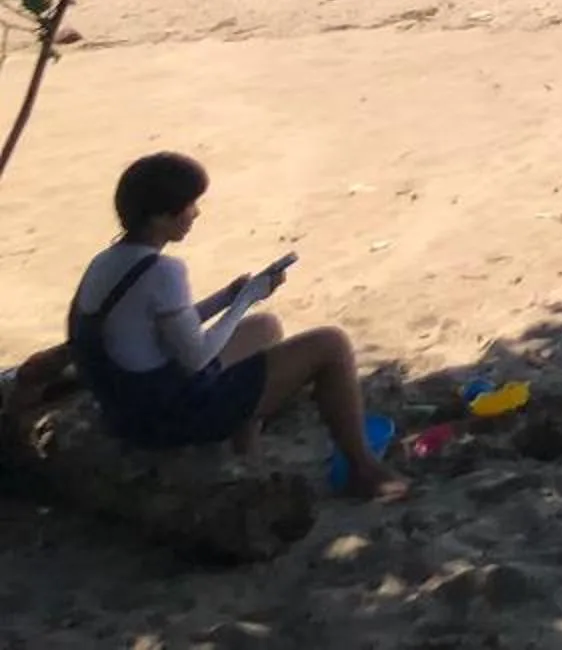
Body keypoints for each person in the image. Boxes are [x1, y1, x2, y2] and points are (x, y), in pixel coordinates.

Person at [64, 152, 403, 496]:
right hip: (166, 416)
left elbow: (155, 330)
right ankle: (363, 470)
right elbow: (196, 357)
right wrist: (245, 300)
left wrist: (226, 298)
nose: (195, 213)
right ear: (160, 217)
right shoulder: (164, 271)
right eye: (189, 206)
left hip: (126, 406)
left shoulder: (105, 262)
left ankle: (248, 455)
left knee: (265, 328)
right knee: (331, 344)